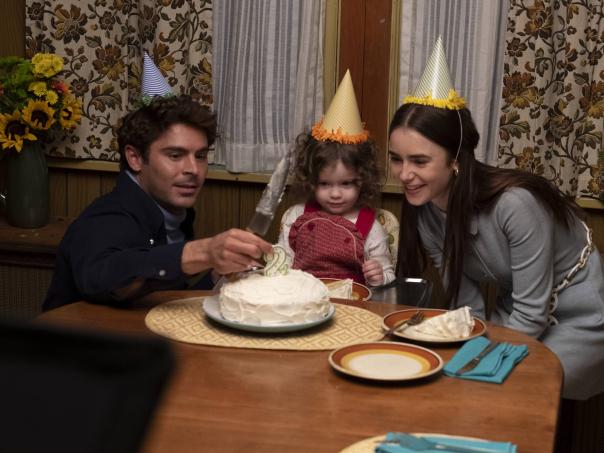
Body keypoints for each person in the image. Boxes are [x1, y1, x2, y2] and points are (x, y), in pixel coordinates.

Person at [389, 36, 604, 400]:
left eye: (419, 161)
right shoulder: (425, 213)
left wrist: (479, 366)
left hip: (579, 315)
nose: (404, 174)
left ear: (456, 160)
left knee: (513, 387)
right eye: (397, 159)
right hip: (519, 312)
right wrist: (465, 357)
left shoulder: (516, 205)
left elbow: (532, 314)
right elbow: (466, 305)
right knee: (453, 378)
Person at [43, 93, 272, 310]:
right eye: (175, 155)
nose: (194, 169)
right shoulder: (106, 217)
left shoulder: (175, 213)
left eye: (201, 156)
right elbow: (100, 279)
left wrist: (217, 277)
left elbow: (159, 300)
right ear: (135, 158)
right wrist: (203, 252)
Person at [278, 70, 395, 287]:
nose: (335, 194)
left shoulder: (372, 227)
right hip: (303, 299)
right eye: (324, 184)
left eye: (346, 183)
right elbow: (282, 264)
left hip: (353, 302)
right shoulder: (296, 216)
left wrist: (380, 275)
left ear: (363, 179)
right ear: (310, 180)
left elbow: (388, 274)